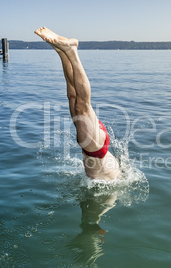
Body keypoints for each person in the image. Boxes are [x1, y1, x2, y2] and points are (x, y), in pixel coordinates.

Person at [34, 27, 120, 180]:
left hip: (97, 146)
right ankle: (72, 53)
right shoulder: (112, 183)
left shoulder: (116, 171)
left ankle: (63, 53)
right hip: (95, 149)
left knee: (73, 97)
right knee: (82, 104)